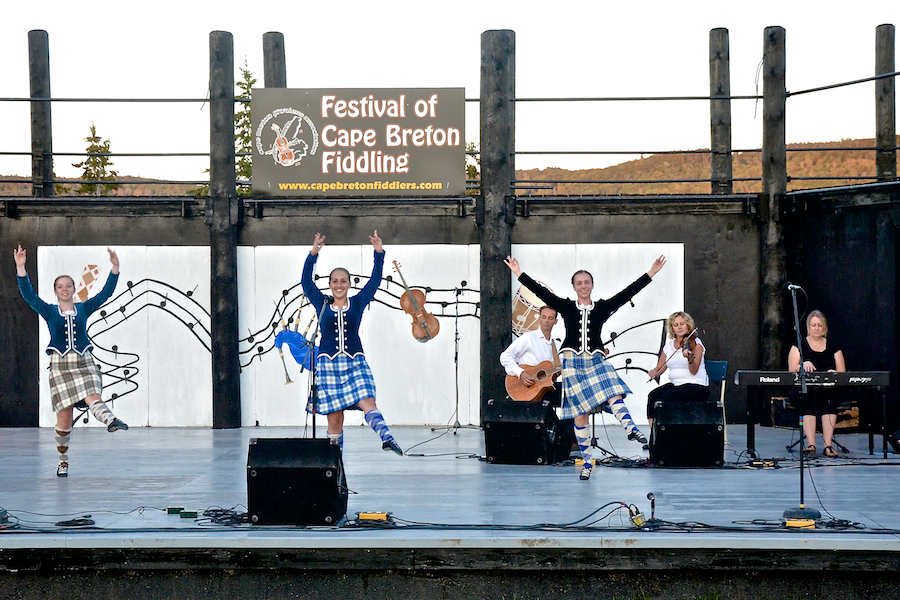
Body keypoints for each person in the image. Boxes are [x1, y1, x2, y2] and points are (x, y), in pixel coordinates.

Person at [504, 254, 667, 480]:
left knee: (613, 389)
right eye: (579, 283)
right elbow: (543, 293)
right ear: (574, 287)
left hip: (595, 358)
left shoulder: (602, 308)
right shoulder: (566, 307)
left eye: (586, 282)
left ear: (592, 285)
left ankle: (630, 428)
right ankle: (587, 461)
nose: (583, 286)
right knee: (580, 413)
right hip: (571, 359)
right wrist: (518, 273)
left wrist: (651, 273)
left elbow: (626, 293)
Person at [14, 244, 128, 478]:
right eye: (60, 287)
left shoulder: (84, 307)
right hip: (60, 366)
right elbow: (28, 295)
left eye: (68, 286)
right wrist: (20, 267)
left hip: (84, 361)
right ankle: (63, 461)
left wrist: (115, 268)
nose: (65, 289)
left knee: (93, 395)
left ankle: (110, 420)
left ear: (75, 289)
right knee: (64, 423)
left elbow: (106, 293)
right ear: (55, 291)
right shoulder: (48, 311)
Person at [301, 230, 402, 456]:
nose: (339, 285)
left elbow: (375, 281)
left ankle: (386, 437)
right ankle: (337, 470)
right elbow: (306, 282)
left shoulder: (357, 303)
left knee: (368, 400)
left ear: (348, 284)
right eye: (335, 281)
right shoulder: (322, 303)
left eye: (343, 281)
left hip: (355, 362)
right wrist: (313, 253)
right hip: (328, 365)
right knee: (335, 422)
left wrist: (378, 253)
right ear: (329, 284)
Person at [788, 310, 846, 458]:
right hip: (805, 389)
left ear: (824, 327)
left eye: (820, 325)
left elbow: (842, 372)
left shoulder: (833, 346)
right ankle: (811, 445)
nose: (816, 328)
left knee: (829, 402)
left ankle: (828, 446)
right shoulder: (799, 345)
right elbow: (791, 369)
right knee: (808, 401)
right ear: (808, 326)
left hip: (827, 389)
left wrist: (834, 373)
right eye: (813, 325)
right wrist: (801, 365)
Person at [646, 312, 709, 433]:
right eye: (675, 325)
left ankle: (670, 433)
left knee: (667, 396)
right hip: (677, 385)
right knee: (653, 396)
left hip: (697, 386)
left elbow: (694, 370)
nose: (679, 327)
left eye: (682, 324)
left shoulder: (696, 344)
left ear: (688, 325)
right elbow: (660, 368)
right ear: (672, 328)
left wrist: (689, 358)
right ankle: (655, 435)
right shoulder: (669, 347)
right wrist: (654, 372)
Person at [499, 305, 562, 405]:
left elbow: (564, 366)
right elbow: (505, 356)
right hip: (525, 388)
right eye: (544, 317)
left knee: (571, 393)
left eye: (550, 318)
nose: (546, 321)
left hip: (545, 390)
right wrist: (520, 373)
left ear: (555, 321)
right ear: (539, 319)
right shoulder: (529, 338)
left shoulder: (557, 346)